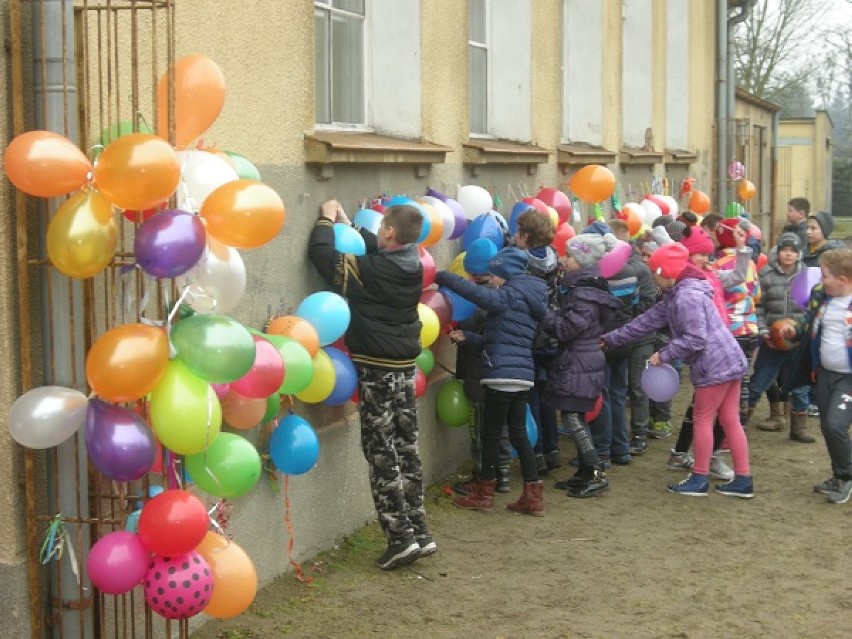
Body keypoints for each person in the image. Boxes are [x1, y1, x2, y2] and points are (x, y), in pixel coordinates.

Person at [308, 200, 433, 570]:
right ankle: (420, 531)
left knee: (381, 452)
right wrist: (353, 223)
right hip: (405, 367)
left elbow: (323, 257)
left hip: (378, 369)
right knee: (406, 447)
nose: (377, 234)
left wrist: (326, 219)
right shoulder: (412, 262)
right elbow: (380, 250)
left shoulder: (373, 271)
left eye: (381, 229)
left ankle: (400, 539)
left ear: (391, 232)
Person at [602, 243, 754, 498]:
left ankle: (700, 477)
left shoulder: (685, 297)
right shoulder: (681, 292)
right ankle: (743, 478)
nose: (653, 278)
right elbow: (647, 321)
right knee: (729, 420)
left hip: (713, 365)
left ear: (665, 271)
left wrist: (664, 354)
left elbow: (696, 338)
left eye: (655, 273)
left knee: (703, 419)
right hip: (730, 358)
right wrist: (612, 338)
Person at [436, 248, 549, 515]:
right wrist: (471, 339)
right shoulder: (530, 298)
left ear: (505, 273)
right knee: (519, 434)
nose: (492, 280)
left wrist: (442, 276)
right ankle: (533, 496)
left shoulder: (508, 295)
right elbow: (505, 340)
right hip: (522, 375)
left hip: (501, 375)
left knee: (490, 434)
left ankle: (484, 493)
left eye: (495, 275)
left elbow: (476, 294)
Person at [541, 232, 623, 498]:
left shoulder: (582, 296)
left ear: (581, 260)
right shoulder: (585, 291)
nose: (564, 260)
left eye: (569, 256)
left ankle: (596, 472)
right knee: (574, 417)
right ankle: (586, 471)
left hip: (579, 361)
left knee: (573, 418)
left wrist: (545, 314)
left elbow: (566, 329)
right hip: (582, 360)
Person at [782, 248, 852, 504]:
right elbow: (809, 322)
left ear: (842, 279)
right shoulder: (821, 295)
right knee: (826, 426)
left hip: (849, 378)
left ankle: (846, 477)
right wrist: (794, 331)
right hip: (823, 374)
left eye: (825, 276)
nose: (820, 280)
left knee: (835, 425)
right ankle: (838, 475)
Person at [450, 238, 515, 496]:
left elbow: (467, 330)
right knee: (501, 425)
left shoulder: (474, 301)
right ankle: (504, 474)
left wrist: (458, 334)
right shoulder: (507, 291)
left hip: (480, 372)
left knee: (480, 428)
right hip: (504, 372)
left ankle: (482, 475)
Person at [748, 232, 814, 442]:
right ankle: (739, 420)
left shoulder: (808, 276)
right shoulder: (765, 275)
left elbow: (813, 308)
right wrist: (763, 330)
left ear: (798, 254)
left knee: (801, 385)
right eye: (784, 249)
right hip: (772, 342)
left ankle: (799, 428)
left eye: (793, 250)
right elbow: (757, 306)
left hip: (799, 341)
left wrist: (807, 330)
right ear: (778, 252)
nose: (788, 254)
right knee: (758, 381)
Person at [513, 210, 562, 474]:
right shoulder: (555, 257)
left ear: (525, 236)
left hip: (530, 334)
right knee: (547, 395)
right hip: (552, 333)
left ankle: (537, 452)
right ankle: (553, 448)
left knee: (529, 395)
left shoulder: (521, 262)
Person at [609, 219, 657, 456]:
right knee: (623, 387)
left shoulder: (637, 268)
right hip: (624, 335)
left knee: (637, 386)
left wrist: (627, 317)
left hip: (641, 336)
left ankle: (638, 434)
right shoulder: (614, 267)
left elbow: (649, 303)